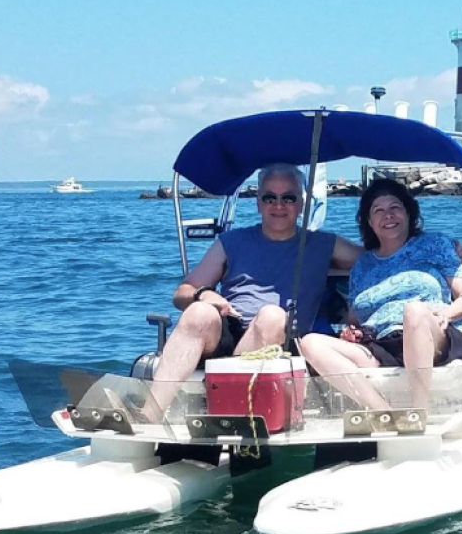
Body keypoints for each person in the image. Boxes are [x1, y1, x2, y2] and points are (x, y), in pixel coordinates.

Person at [150, 162, 362, 413]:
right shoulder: (232, 242)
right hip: (231, 331)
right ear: (258, 203)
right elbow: (182, 293)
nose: (279, 205)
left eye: (289, 197)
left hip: (283, 339)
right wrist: (203, 294)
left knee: (272, 316)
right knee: (199, 312)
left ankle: (231, 408)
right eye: (270, 197)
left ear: (301, 204)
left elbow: (379, 258)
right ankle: (148, 414)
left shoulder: (322, 243)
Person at [297, 178, 462, 411]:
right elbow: (355, 321)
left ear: (408, 213)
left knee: (413, 311)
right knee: (311, 344)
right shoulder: (362, 265)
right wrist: (350, 332)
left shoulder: (435, 245)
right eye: (379, 211)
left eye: (395, 208)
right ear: (370, 222)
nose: (388, 216)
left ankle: (418, 412)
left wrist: (446, 314)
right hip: (380, 345)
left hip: (432, 333)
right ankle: (384, 412)